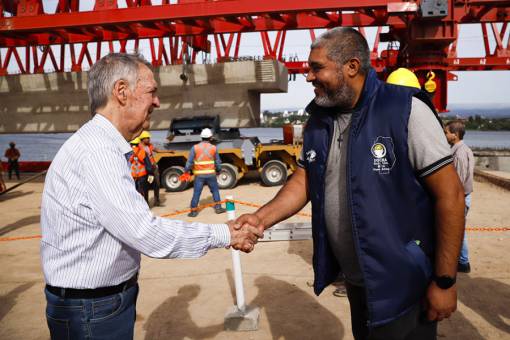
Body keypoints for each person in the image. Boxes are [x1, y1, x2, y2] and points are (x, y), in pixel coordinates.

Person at [236, 27, 466, 340]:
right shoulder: (320, 119)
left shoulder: (404, 110)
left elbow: (450, 196)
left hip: (404, 284)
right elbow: (304, 179)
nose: (308, 77)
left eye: (316, 68)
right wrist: (260, 218)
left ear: (352, 67)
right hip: (360, 282)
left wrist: (444, 281)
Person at [40, 53, 263, 340]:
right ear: (121, 92)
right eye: (151, 92)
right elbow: (144, 232)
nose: (157, 102)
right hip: (91, 310)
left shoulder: (96, 144)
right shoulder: (98, 153)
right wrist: (225, 234)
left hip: (97, 303)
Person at [445, 120, 475, 273]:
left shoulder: (460, 152)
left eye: (446, 133)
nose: (445, 135)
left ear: (455, 135)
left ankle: (463, 262)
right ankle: (461, 260)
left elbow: (459, 180)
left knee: (457, 229)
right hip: (462, 196)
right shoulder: (460, 149)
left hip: (460, 196)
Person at [184, 128, 226, 217]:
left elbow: (189, 162)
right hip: (211, 174)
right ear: (210, 137)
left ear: (201, 137)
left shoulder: (195, 148)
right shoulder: (213, 148)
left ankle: (193, 211)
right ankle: (218, 208)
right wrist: (218, 170)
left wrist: (186, 171)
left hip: (199, 175)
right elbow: (218, 162)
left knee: (196, 193)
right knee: (215, 191)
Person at [139, 130, 162, 206]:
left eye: (149, 138)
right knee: (146, 186)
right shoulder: (138, 147)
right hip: (146, 170)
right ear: (142, 139)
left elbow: (157, 151)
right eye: (147, 138)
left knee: (156, 184)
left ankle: (157, 201)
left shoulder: (149, 145)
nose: (149, 139)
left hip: (153, 168)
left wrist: (168, 151)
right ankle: (146, 202)